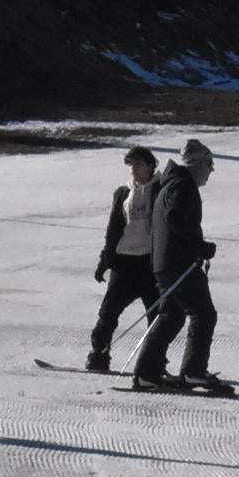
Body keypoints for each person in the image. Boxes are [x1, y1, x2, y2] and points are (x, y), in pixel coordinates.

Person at [131, 139, 227, 395]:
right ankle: (193, 372)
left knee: (171, 316)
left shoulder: (172, 183)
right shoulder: (183, 185)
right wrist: (199, 247)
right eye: (209, 164)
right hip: (178, 263)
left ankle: (147, 374)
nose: (211, 170)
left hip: (165, 262)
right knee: (204, 314)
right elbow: (175, 217)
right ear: (197, 164)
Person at [87, 145, 159, 374]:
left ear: (150, 166)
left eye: (139, 164)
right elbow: (113, 230)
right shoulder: (122, 194)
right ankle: (99, 355)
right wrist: (104, 262)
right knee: (107, 315)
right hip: (124, 265)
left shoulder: (162, 191)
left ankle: (153, 364)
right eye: (131, 165)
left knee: (158, 318)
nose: (134, 169)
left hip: (151, 265)